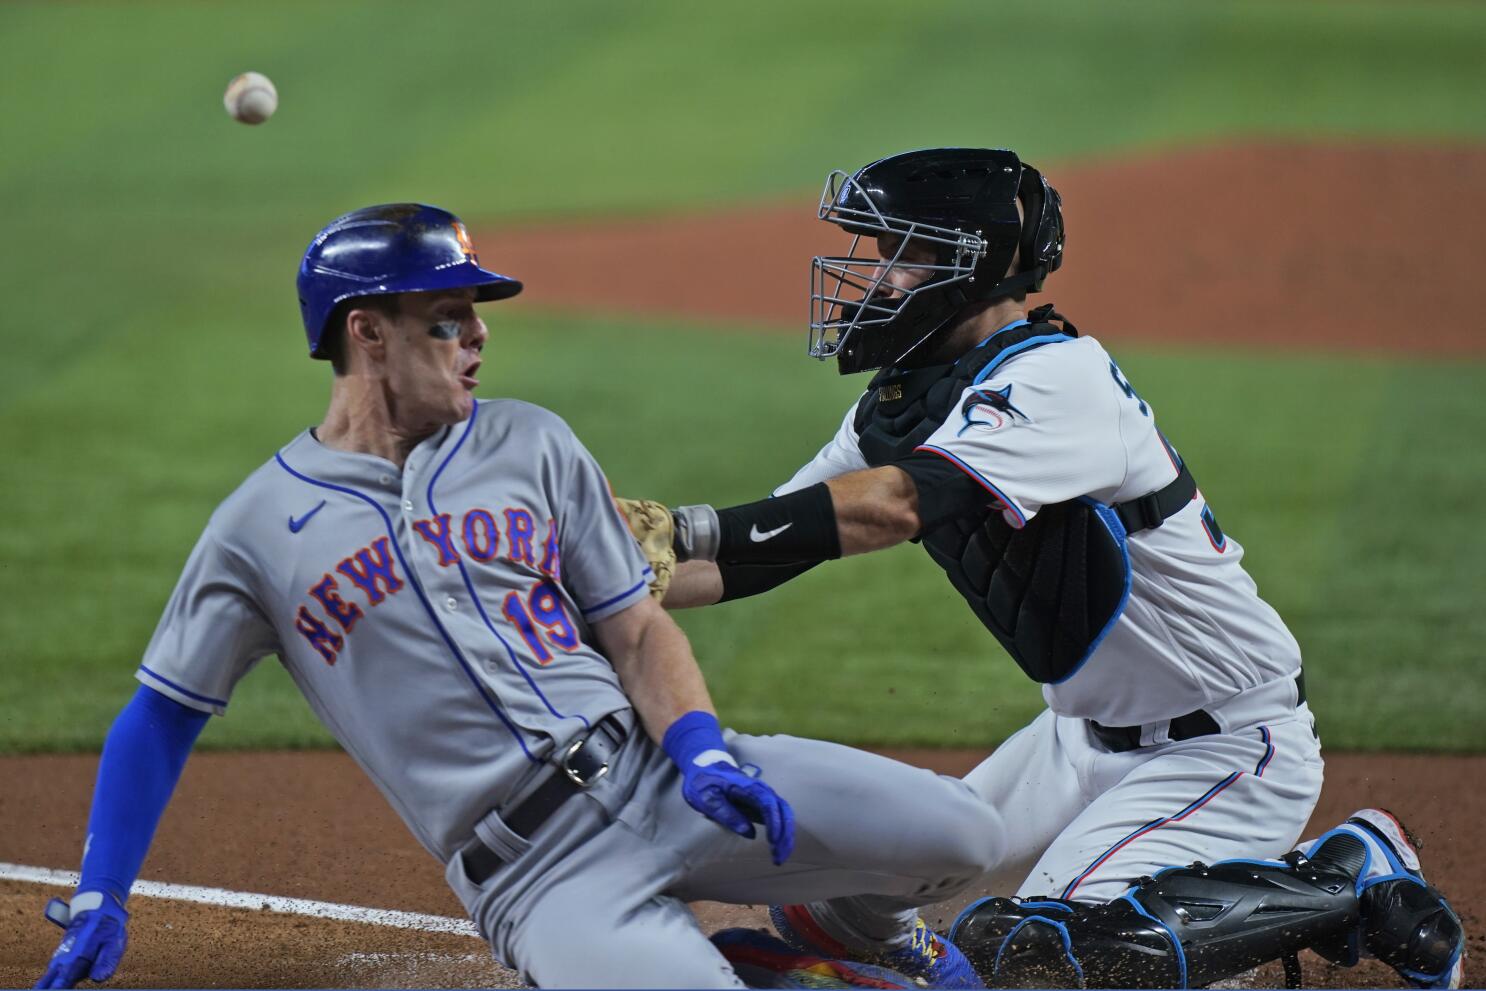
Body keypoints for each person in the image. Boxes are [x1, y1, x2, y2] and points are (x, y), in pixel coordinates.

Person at [33, 203, 1015, 990]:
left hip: (661, 780)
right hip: (538, 875)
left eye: (475, 313)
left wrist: (701, 746)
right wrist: (99, 893)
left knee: (966, 836)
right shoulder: (257, 528)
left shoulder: (530, 441)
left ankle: (838, 925)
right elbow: (159, 716)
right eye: (445, 320)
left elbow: (634, 626)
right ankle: (751, 968)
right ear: (367, 335)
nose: (477, 336)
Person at [637, 148, 1465, 988]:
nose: (879, 277)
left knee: (1039, 958)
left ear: (975, 265)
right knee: (833, 908)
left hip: (1226, 746)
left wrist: (686, 525)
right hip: (1073, 744)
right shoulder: (905, 401)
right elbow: (766, 547)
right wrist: (604, 570)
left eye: (903, 253)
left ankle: (1342, 877)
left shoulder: (1057, 380)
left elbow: (894, 505)